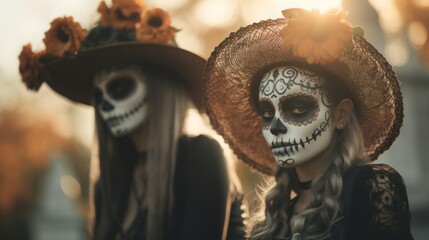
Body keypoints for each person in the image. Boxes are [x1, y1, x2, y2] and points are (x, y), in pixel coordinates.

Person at [18, 0, 245, 239]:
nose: (104, 104)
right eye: (98, 94)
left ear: (158, 87)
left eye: (119, 87)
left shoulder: (201, 156)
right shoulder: (112, 182)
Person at [203, 8, 413, 240]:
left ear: (341, 114)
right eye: (266, 112)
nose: (275, 127)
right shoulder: (276, 216)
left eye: (299, 109)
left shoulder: (371, 187)